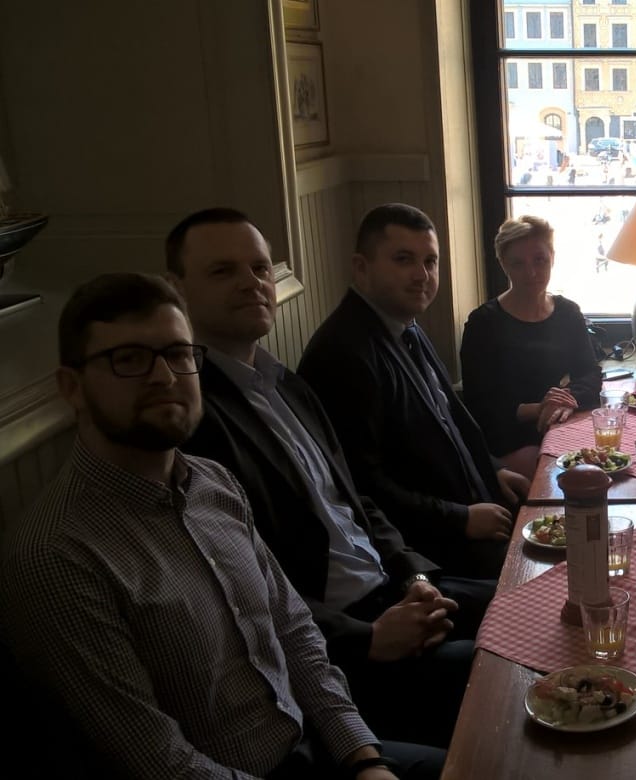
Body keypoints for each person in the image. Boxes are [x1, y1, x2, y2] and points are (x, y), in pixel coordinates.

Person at [0, 273, 443, 778]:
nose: (164, 377)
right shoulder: (56, 555)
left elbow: (295, 633)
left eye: (178, 353)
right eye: (129, 359)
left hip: (316, 747)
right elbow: (159, 762)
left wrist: (363, 756)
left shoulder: (215, 483)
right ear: (72, 388)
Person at [168, 208, 484, 749]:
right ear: (177, 289)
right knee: (512, 668)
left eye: (260, 268)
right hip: (340, 639)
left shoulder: (287, 386)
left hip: (392, 587)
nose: (251, 283)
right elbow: (238, 584)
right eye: (222, 271)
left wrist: (414, 575)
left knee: (536, 611)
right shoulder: (192, 417)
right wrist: (367, 637)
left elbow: (355, 500)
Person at [298, 203, 530, 581]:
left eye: (430, 261)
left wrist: (491, 471)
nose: (422, 275)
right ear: (361, 267)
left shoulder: (404, 325)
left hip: (472, 518)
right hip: (431, 556)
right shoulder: (343, 354)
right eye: (403, 259)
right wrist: (461, 518)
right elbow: (362, 486)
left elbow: (449, 418)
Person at [458, 215, 602, 475]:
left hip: (556, 422)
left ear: (552, 258)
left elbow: (590, 373)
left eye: (539, 260)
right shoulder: (483, 323)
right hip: (506, 433)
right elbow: (479, 405)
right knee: (554, 473)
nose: (531, 273)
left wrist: (565, 400)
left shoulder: (568, 313)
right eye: (518, 263)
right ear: (503, 264)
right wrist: (539, 408)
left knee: (604, 459)